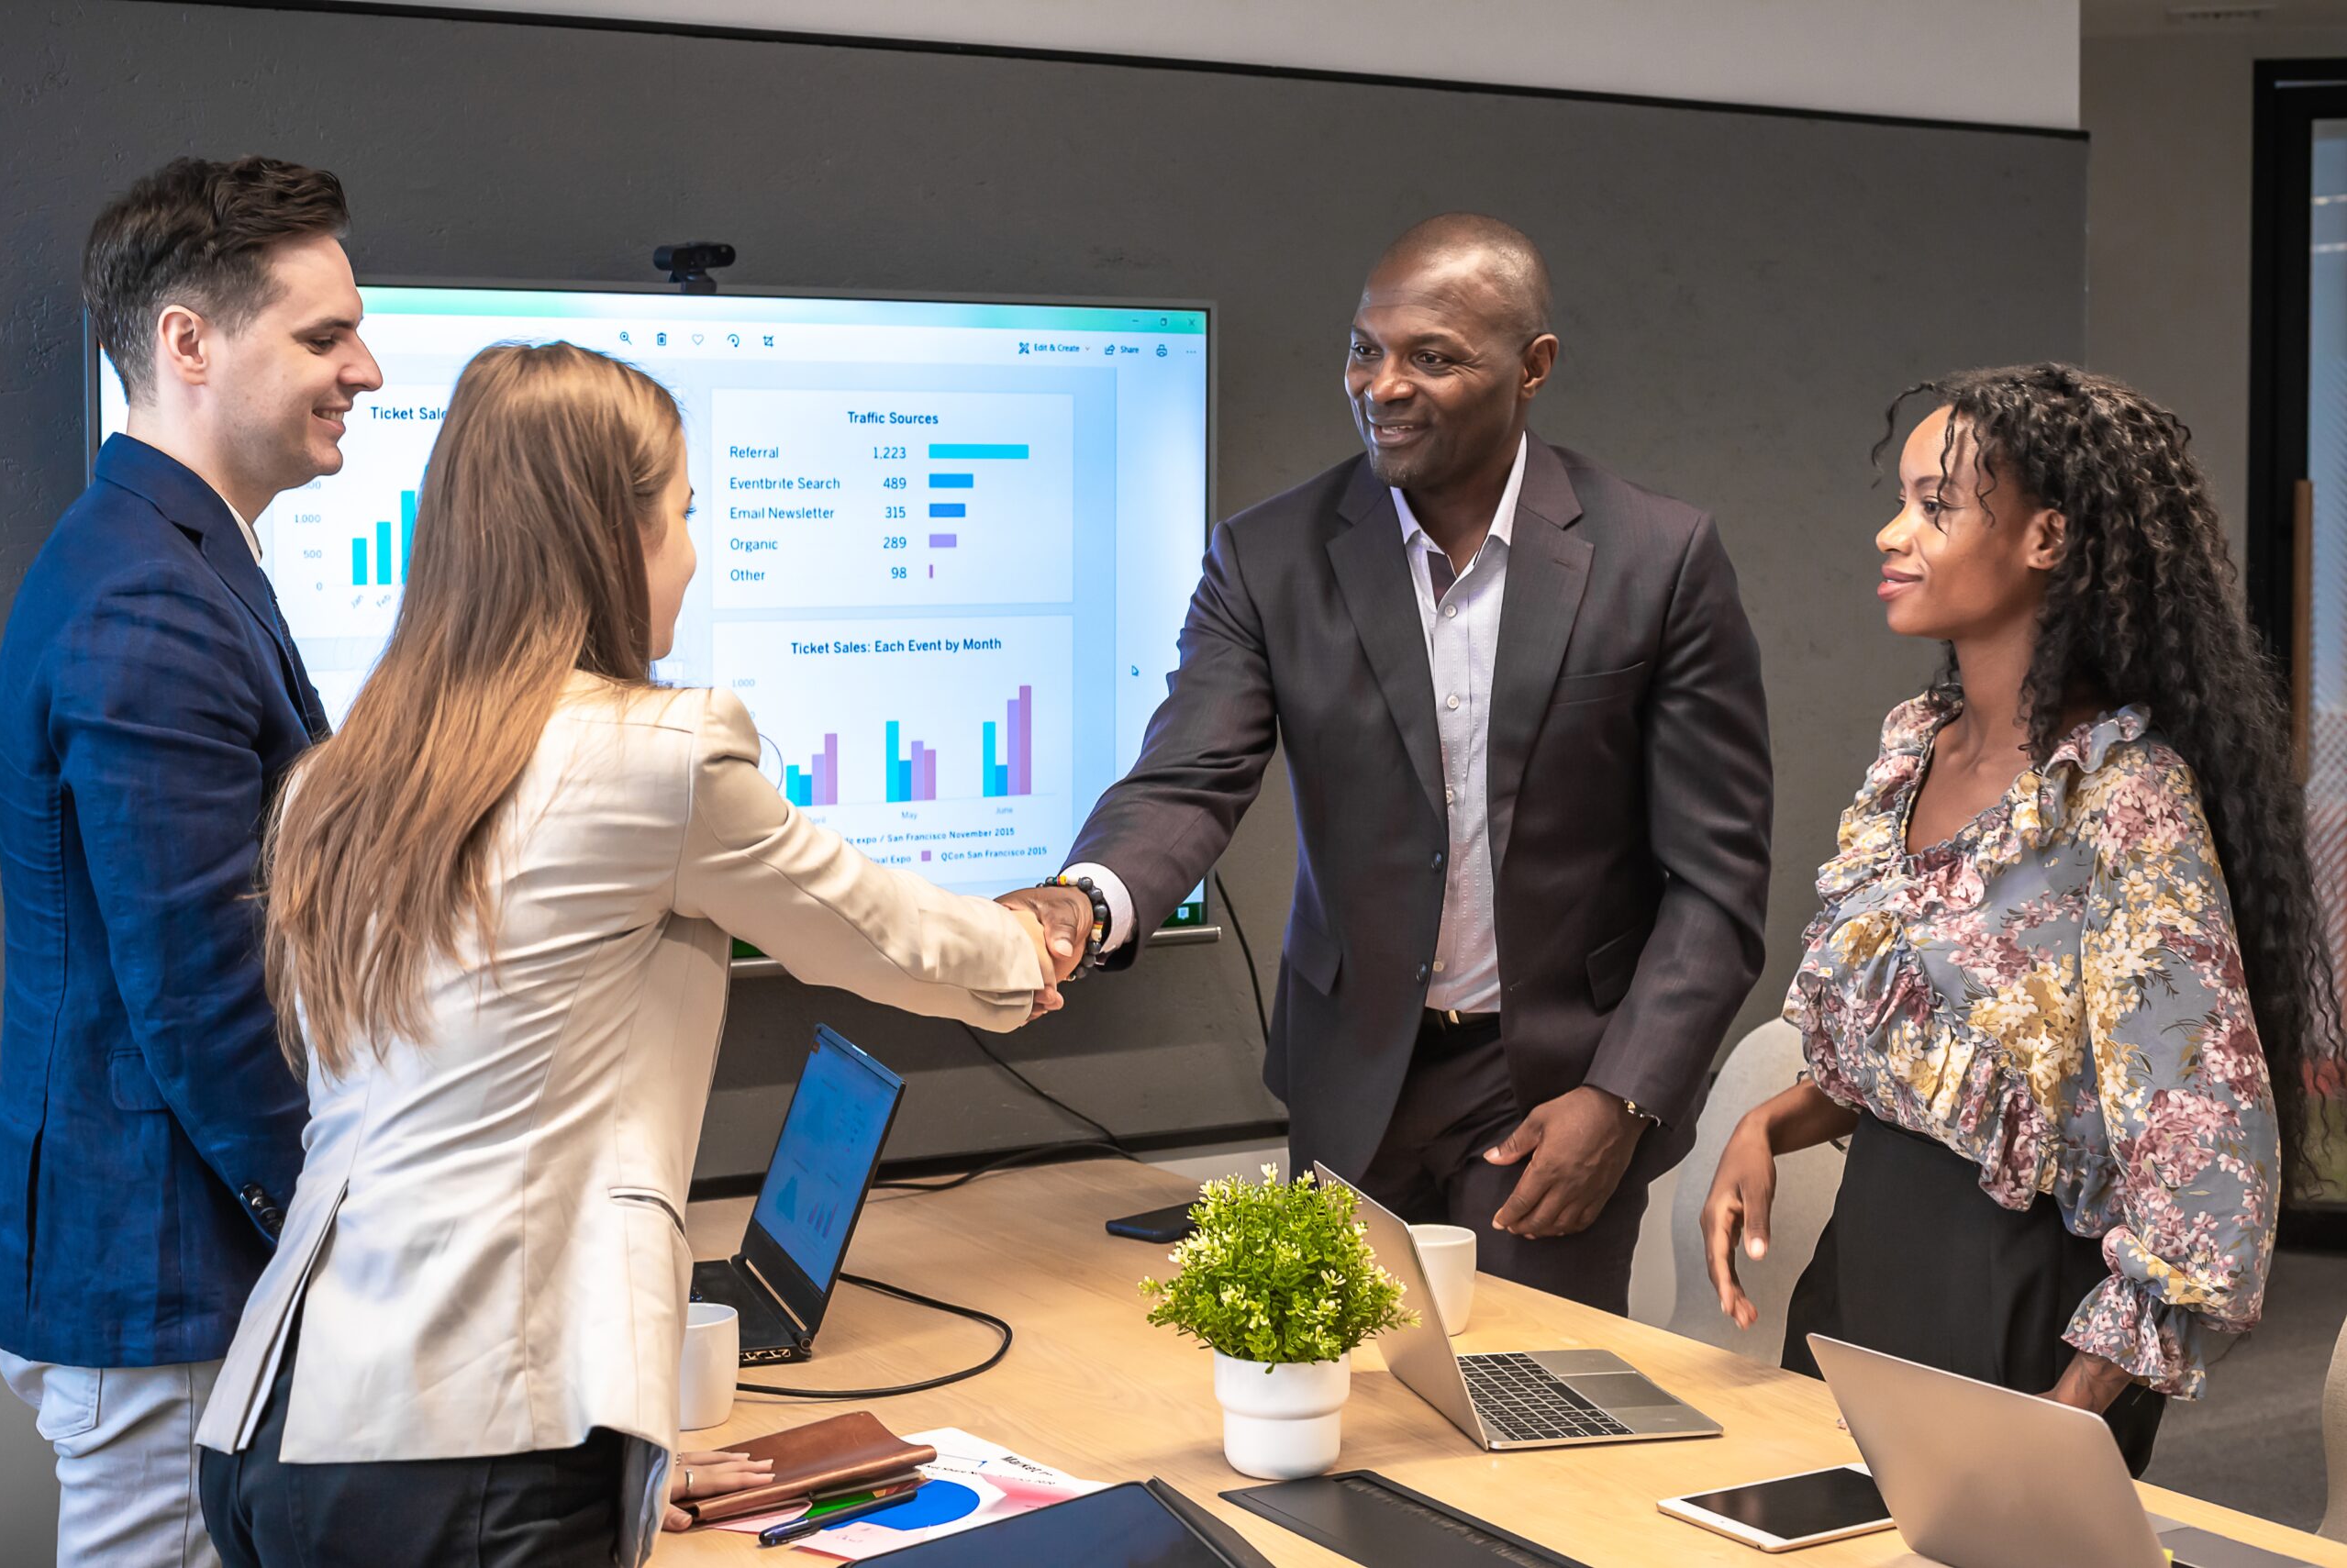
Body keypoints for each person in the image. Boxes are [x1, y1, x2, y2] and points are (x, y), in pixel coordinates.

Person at [192, 342, 1068, 1568]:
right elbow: (886, 936)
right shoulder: (659, 756)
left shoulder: (340, 783)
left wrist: (621, 1440)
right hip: (475, 1452)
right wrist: (1040, 942)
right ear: (616, 533)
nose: (696, 553)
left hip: (282, 1433)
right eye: (687, 515)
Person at [1003, 214, 1773, 1310]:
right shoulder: (1266, 556)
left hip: (1554, 1080)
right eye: (1367, 348)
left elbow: (1717, 877)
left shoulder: (1657, 558)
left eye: (1434, 356)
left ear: (1532, 368)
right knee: (1349, 1403)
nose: (1382, 384)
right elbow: (1188, 776)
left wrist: (1623, 1095)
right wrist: (1083, 901)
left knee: (1526, 1400)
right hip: (1355, 1070)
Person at [1699, 364, 2343, 1475]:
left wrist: (2063, 1415)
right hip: (1860, 1276)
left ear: (2048, 536)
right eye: (1901, 498)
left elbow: (2207, 1177)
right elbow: (1952, 1063)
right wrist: (1769, 1121)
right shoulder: (1916, 749)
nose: (1890, 533)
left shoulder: (2120, 800)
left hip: (2014, 1315)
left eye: (1935, 505)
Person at [0, 155, 379, 1568]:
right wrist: (343, 1240)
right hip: (164, 1275)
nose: (370, 367)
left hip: (167, 1262)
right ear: (188, 342)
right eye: (325, 335)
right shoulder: (151, 597)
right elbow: (204, 991)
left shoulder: (171, 556)